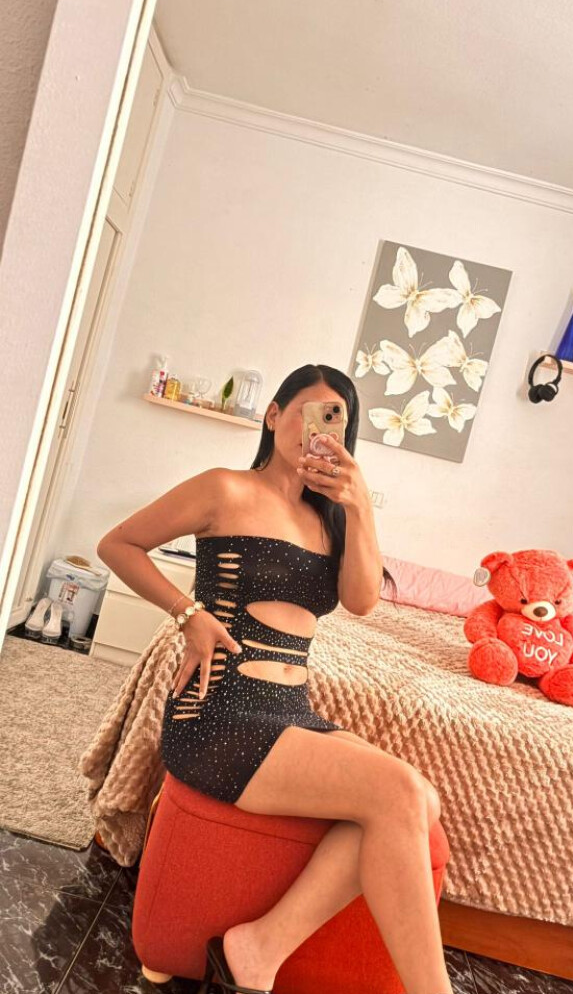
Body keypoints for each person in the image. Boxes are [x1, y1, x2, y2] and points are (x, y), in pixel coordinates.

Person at [96, 363, 453, 994]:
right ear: (273, 415)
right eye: (309, 412)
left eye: (335, 421)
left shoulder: (330, 519)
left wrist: (359, 504)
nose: (318, 431)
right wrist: (187, 614)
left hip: (289, 711)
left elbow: (363, 600)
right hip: (219, 712)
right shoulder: (224, 488)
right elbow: (117, 544)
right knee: (400, 793)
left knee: (421, 800)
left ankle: (259, 949)